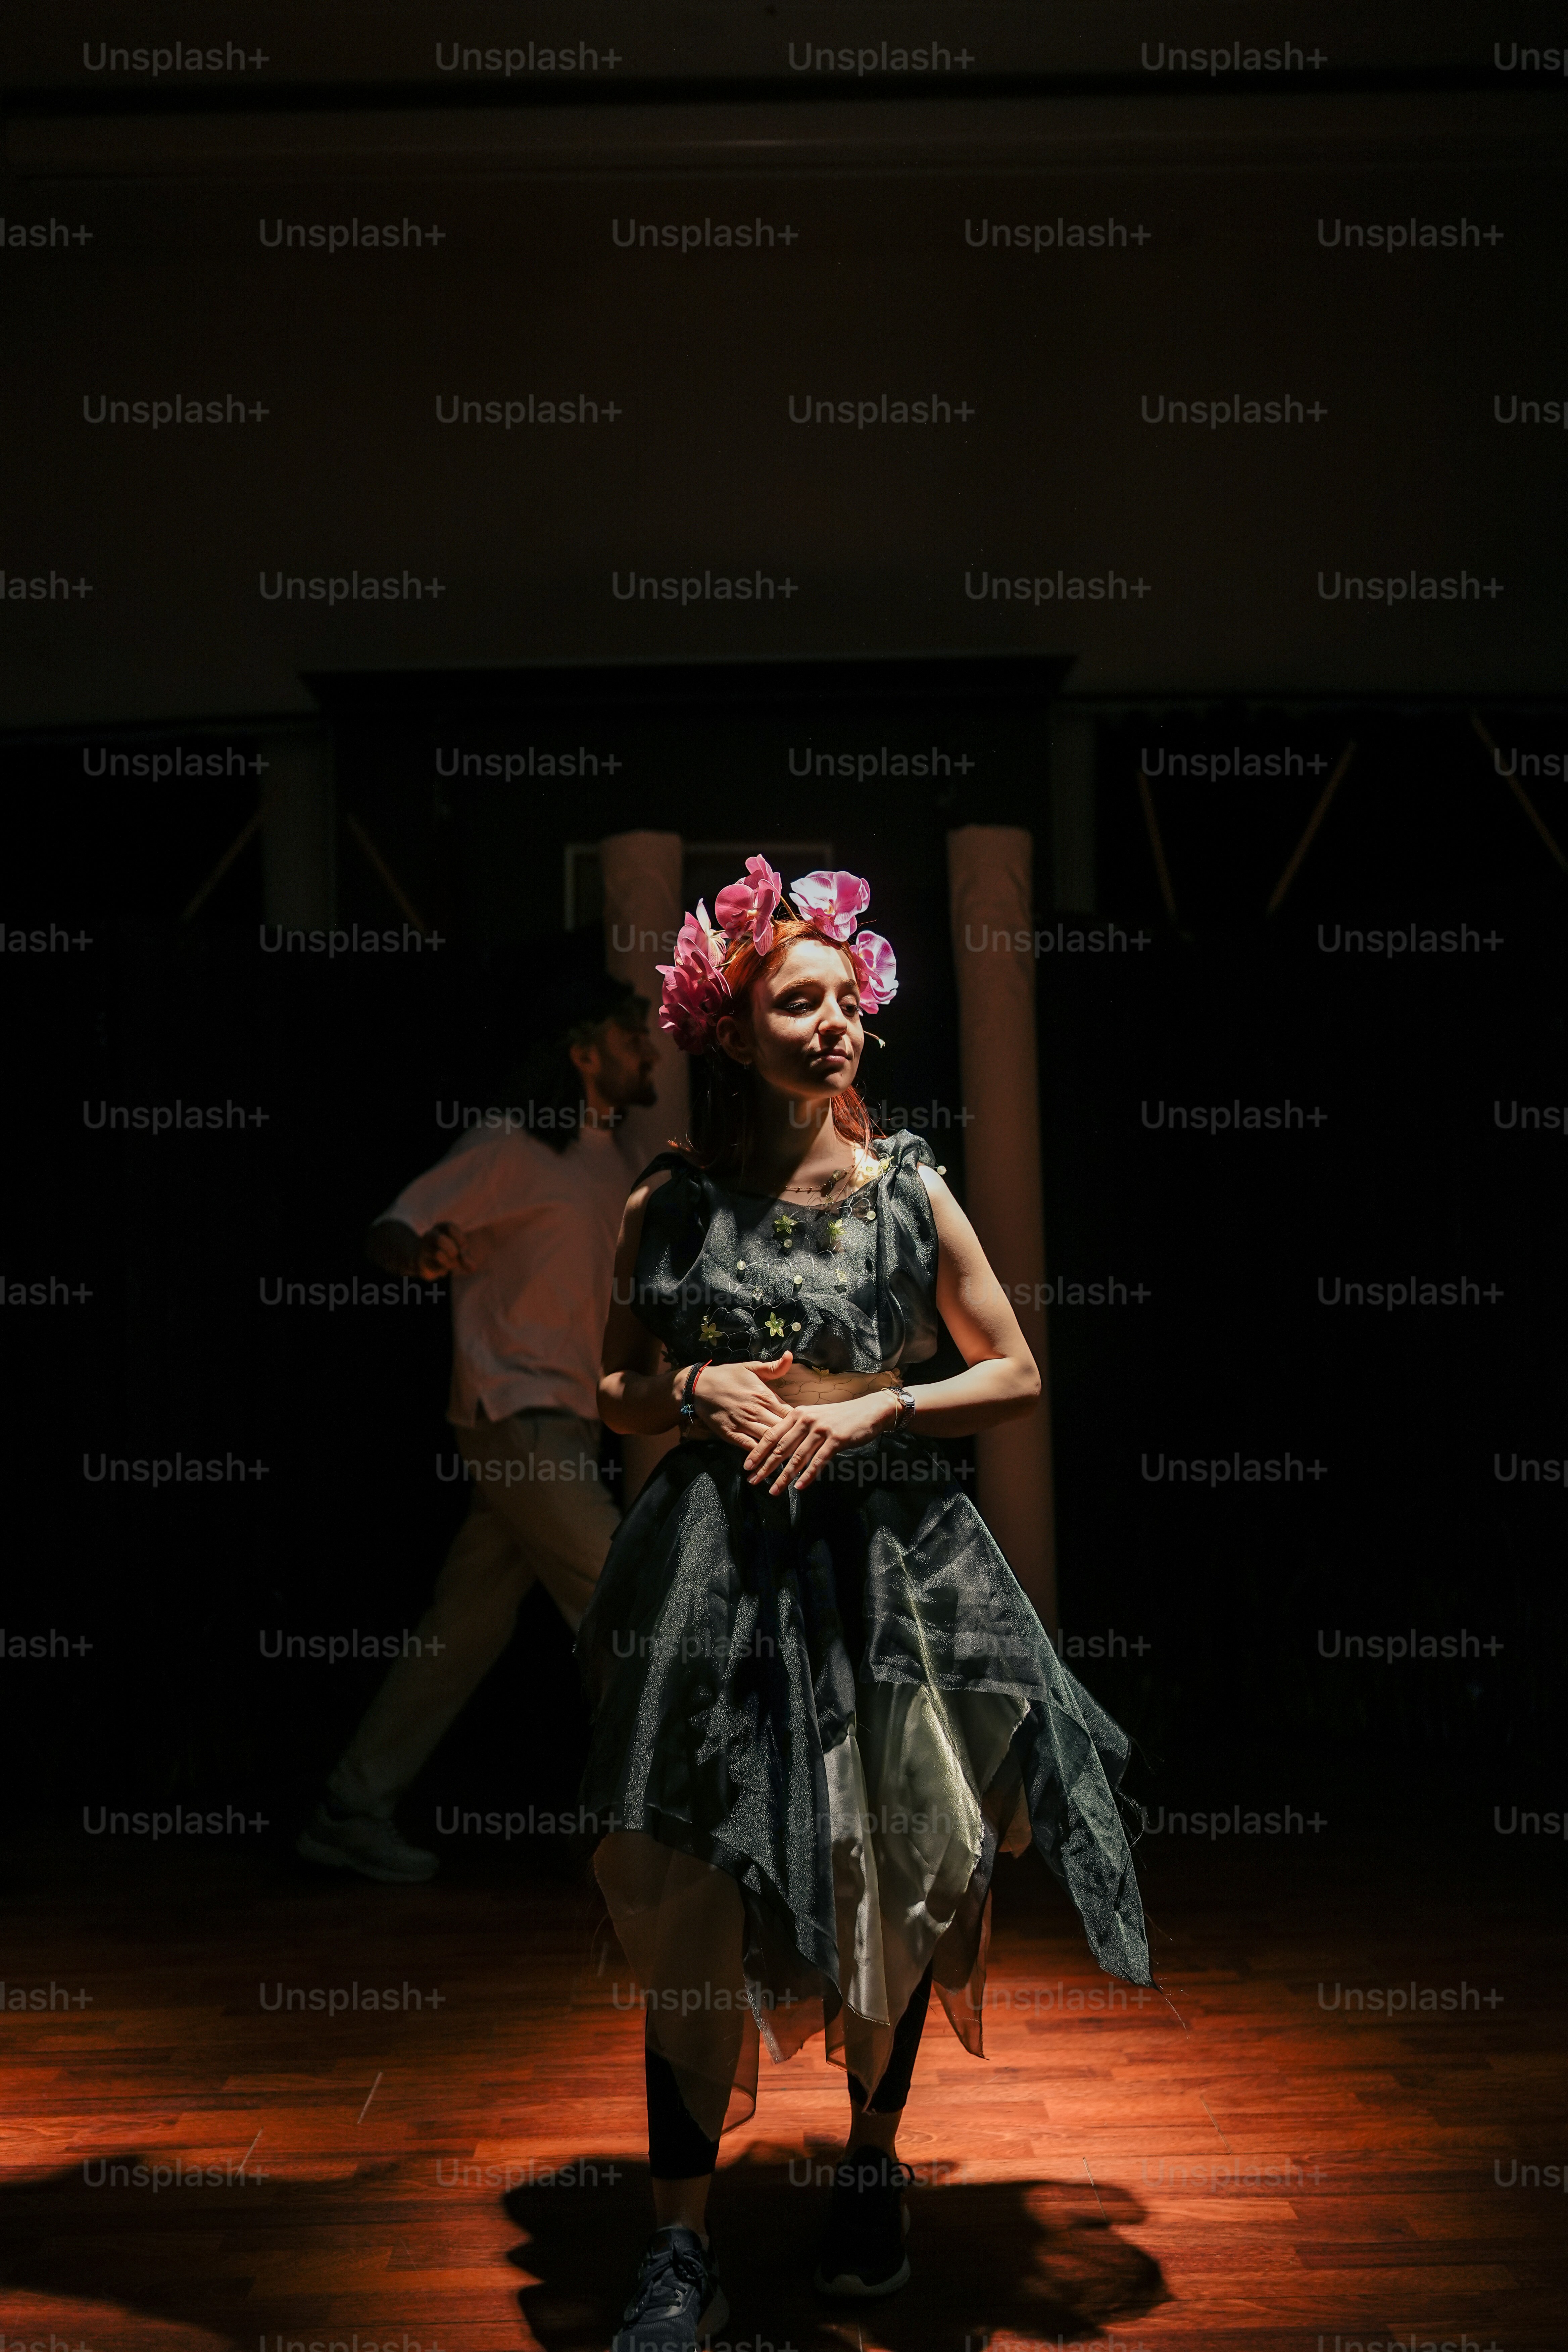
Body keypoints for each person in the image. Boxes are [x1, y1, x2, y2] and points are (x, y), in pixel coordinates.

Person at [575, 860, 1154, 2352]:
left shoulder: (906, 1187)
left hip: (887, 1573)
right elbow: (613, 1385)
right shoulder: (673, 1199)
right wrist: (694, 1387)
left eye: (848, 1003)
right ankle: (678, 2249)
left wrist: (876, 1410)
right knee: (699, 1886)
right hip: (714, 1573)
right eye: (797, 1001)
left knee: (888, 1883)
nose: (834, 1026)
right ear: (732, 1030)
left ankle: (872, 2169)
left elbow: (1015, 1370)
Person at [296, 970, 658, 1884]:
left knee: (462, 1631)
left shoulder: (610, 1162)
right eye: (630, 1035)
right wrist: (418, 1252)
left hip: (566, 1429)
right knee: (627, 1607)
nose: (647, 1049)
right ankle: (654, 1834)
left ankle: (350, 1808)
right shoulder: (509, 1146)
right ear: (583, 1051)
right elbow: (394, 1225)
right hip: (517, 1416)